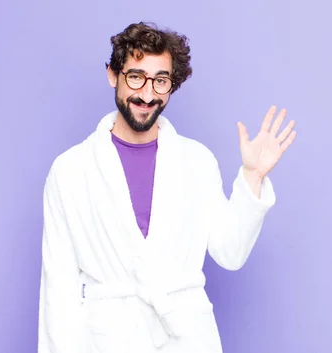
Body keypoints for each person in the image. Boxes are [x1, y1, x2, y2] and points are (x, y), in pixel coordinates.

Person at [37, 22, 296, 353]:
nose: (147, 94)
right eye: (136, 76)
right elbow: (58, 288)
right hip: (108, 340)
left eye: (160, 81)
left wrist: (253, 176)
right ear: (113, 75)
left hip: (187, 339)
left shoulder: (196, 161)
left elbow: (230, 253)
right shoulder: (70, 171)